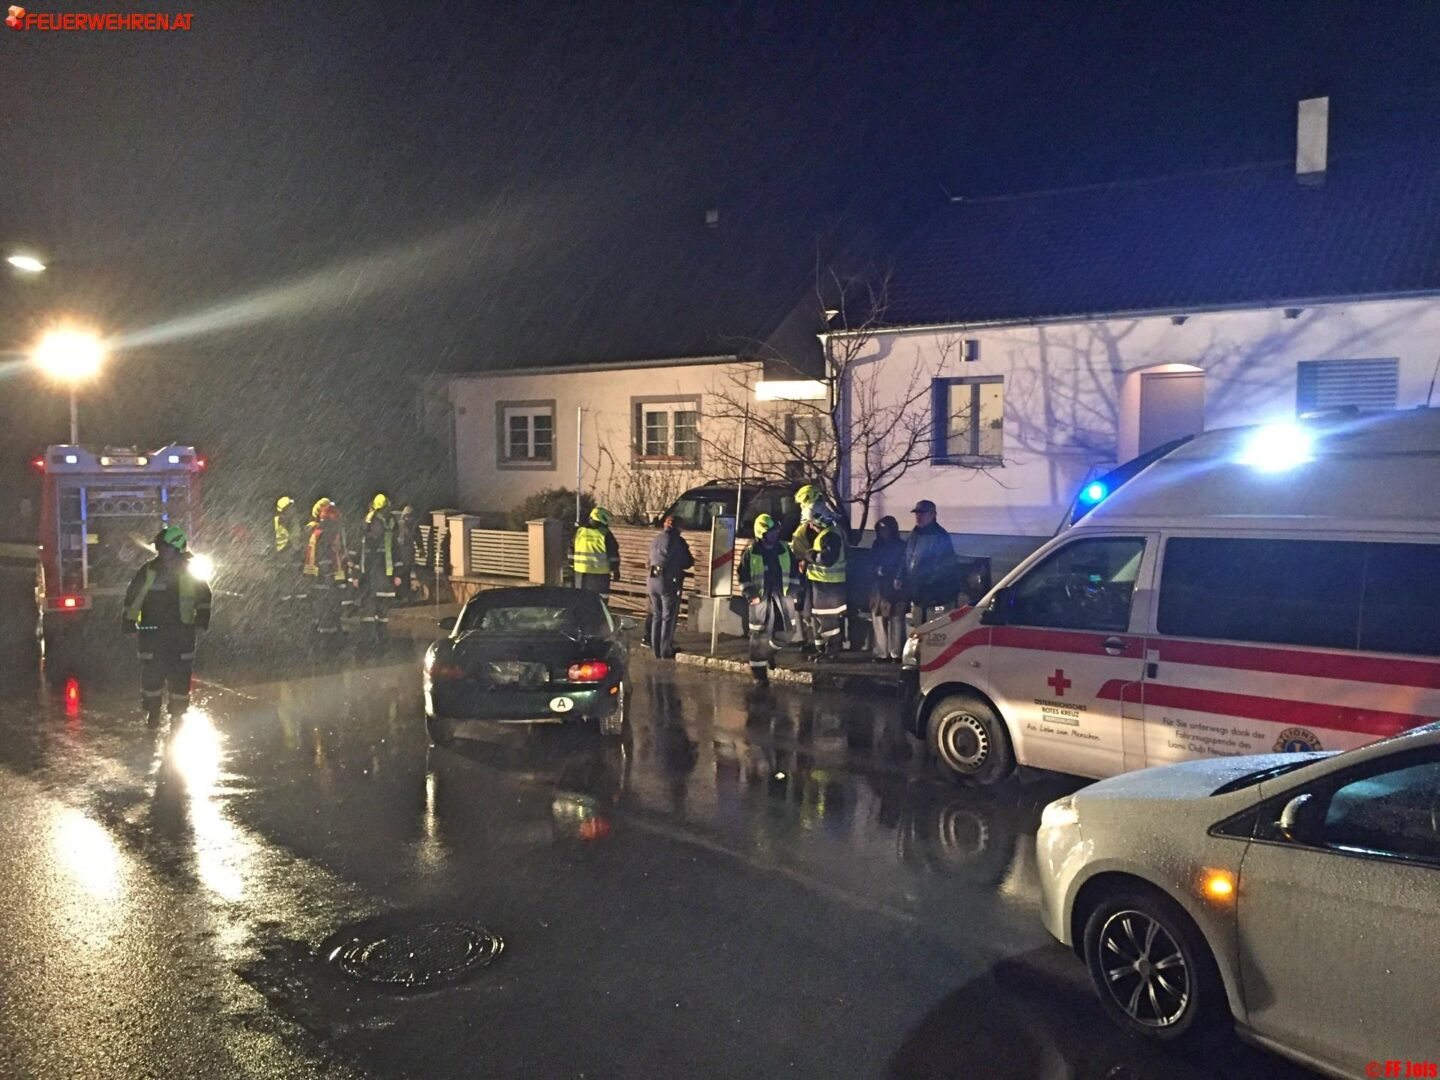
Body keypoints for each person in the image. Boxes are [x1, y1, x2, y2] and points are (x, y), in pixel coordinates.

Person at [121, 526, 212, 728]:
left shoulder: (191, 572)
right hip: (152, 633)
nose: (162, 550)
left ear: (178, 548)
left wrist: (201, 622)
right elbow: (133, 598)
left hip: (182, 633)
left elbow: (204, 599)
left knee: (180, 676)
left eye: (166, 547)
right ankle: (153, 712)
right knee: (152, 675)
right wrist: (129, 623)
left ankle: (177, 714)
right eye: (160, 547)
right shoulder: (149, 571)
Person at [738, 513, 802, 683]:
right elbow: (743, 576)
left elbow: (794, 573)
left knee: (787, 631)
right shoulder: (751, 553)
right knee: (759, 636)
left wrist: (794, 592)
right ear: (762, 533)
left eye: (776, 531)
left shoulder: (784, 549)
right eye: (772, 532)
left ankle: (768, 653)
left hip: (783, 597)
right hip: (761, 598)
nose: (775, 534)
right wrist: (751, 594)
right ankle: (759, 675)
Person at [900, 498, 960, 634]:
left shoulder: (940, 536)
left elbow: (944, 566)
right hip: (918, 596)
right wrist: (901, 577)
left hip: (937, 597)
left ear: (933, 514)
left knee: (936, 629)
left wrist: (928, 581)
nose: (918, 516)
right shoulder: (913, 535)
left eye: (922, 513)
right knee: (919, 629)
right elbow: (905, 557)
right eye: (917, 513)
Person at [646, 514, 693, 660]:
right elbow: (688, 561)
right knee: (668, 617)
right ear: (678, 527)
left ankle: (656, 649)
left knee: (657, 615)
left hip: (652, 579)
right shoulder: (677, 541)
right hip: (667, 580)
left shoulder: (656, 539)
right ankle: (665, 650)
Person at [357, 494, 401, 643]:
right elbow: (360, 557)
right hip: (373, 579)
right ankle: (370, 639)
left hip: (382, 578)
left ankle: (380, 638)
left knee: (381, 612)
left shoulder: (387, 535)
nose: (376, 527)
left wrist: (397, 574)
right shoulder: (367, 538)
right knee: (370, 612)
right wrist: (357, 576)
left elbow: (395, 554)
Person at [304, 499, 349, 637]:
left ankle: (324, 632)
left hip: (320, 575)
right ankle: (327, 636)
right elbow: (326, 554)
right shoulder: (323, 532)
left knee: (326, 605)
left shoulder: (317, 531)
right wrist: (330, 574)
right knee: (327, 606)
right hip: (325, 575)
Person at [868, 515, 907, 662]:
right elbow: (871, 562)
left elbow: (902, 565)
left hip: (894, 586)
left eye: (885, 529)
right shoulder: (877, 544)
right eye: (880, 529)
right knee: (879, 619)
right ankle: (882, 652)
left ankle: (896, 652)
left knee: (896, 618)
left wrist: (889, 573)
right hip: (879, 587)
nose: (883, 532)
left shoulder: (900, 546)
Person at [572, 506, 621, 595]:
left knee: (581, 598)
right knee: (600, 598)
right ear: (601, 518)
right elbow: (613, 553)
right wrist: (615, 569)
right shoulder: (605, 533)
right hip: (600, 574)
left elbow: (571, 549)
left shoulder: (579, 532)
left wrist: (571, 565)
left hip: (580, 572)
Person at [272, 496, 304, 602]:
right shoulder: (282, 519)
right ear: (285, 508)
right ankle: (288, 597)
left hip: (292, 549)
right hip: (286, 549)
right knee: (287, 574)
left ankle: (296, 595)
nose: (293, 508)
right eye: (290, 506)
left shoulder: (292, 518)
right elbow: (289, 535)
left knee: (294, 573)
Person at [395, 504, 424, 601]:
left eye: (410, 516)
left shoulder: (414, 526)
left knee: (407, 573)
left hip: (409, 552)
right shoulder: (399, 525)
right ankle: (399, 593)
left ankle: (406, 592)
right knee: (399, 573)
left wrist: (421, 549)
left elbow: (418, 538)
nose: (408, 518)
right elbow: (395, 538)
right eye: (407, 516)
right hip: (399, 553)